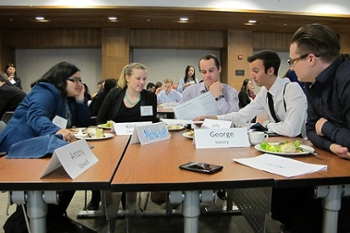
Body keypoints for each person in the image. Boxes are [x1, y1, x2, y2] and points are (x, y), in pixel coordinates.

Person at [0, 61, 91, 232]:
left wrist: (80, 100)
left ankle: (52, 220)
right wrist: (57, 131)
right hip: (21, 148)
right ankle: (24, 224)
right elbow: (36, 116)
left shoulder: (67, 98)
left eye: (81, 80)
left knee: (73, 170)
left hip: (43, 146)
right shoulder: (45, 90)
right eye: (75, 80)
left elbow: (83, 123)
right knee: (65, 174)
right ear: (61, 78)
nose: (80, 84)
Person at [194, 50, 307, 138]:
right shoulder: (265, 92)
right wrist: (213, 118)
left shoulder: (292, 90)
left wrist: (266, 124)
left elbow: (292, 130)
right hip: (281, 143)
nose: (251, 75)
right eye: (251, 71)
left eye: (256, 71)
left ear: (270, 71)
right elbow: (242, 115)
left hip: (301, 144)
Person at [91, 63, 157, 210]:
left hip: (138, 146)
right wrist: (111, 128)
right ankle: (108, 204)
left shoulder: (150, 97)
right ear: (127, 78)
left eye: (144, 79)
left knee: (130, 179)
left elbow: (151, 122)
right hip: (113, 145)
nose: (142, 82)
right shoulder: (114, 94)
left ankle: (129, 206)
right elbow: (100, 120)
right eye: (138, 78)